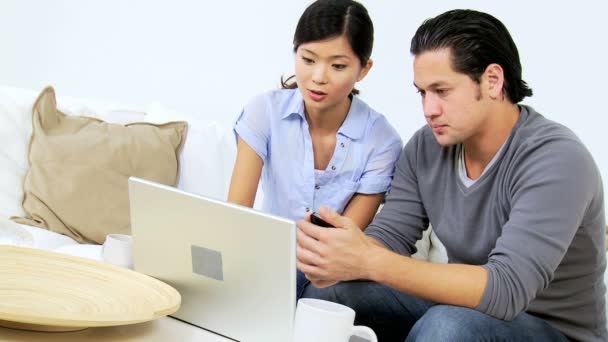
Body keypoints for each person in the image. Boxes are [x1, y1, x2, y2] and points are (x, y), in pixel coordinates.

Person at [297, 9, 606, 342]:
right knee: (332, 296)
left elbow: (507, 290)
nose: (429, 109)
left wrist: (369, 261)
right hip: (465, 310)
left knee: (449, 326)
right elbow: (390, 238)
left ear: (492, 81)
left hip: (552, 331)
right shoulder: (426, 147)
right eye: (422, 93)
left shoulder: (556, 159)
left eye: (441, 91)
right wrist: (341, 253)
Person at [227, 0, 402, 298]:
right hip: (265, 262)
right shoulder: (264, 112)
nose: (318, 77)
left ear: (364, 69)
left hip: (331, 274)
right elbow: (234, 217)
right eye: (308, 60)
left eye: (338, 66)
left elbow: (343, 242)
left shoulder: (382, 142)